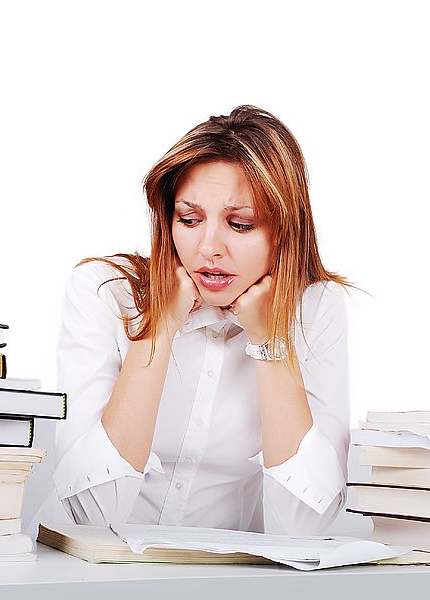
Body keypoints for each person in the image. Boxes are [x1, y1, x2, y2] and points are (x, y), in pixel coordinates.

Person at [52, 105, 360, 536]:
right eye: (190, 219)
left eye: (241, 223)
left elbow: (305, 527)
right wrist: (158, 329)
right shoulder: (104, 292)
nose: (209, 247)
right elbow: (91, 518)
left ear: (286, 231)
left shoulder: (317, 309)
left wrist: (271, 343)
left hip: (224, 580)